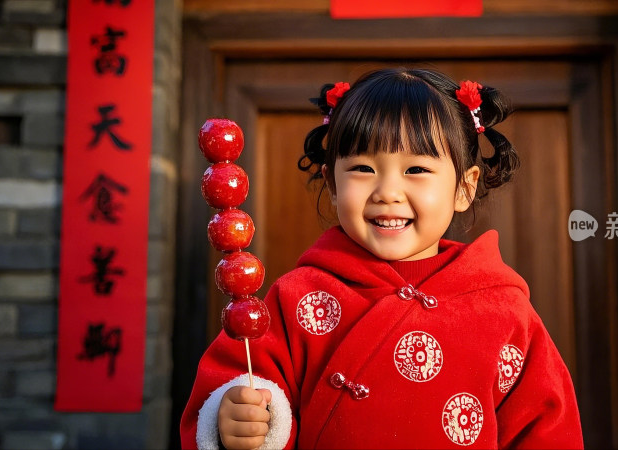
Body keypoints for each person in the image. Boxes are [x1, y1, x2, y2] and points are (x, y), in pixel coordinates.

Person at [181, 68, 583, 449]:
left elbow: (547, 429)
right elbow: (239, 380)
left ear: (464, 187)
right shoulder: (296, 297)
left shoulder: (505, 310)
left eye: (416, 168)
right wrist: (234, 419)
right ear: (332, 184)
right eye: (362, 167)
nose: (387, 191)